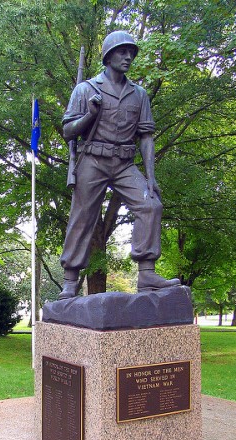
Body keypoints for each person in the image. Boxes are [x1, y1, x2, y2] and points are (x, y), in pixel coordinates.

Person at [59, 30, 180, 299]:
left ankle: (147, 273)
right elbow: (68, 131)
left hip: (125, 162)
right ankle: (70, 279)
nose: (128, 57)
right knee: (82, 217)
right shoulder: (86, 89)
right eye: (122, 52)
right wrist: (90, 114)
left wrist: (151, 177)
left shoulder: (139, 95)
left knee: (151, 204)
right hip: (93, 159)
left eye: (131, 53)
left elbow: (146, 136)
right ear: (108, 55)